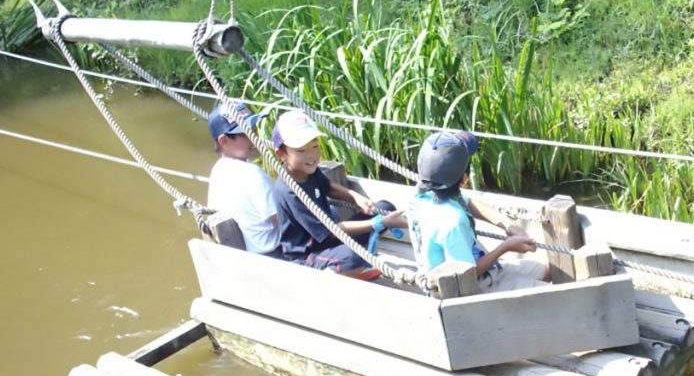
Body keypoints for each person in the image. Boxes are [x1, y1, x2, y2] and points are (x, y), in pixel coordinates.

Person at [406, 129, 549, 292]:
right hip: (468, 288)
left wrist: (508, 225)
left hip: (475, 269)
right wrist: (506, 247)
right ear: (464, 178)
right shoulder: (453, 221)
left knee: (544, 270)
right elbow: (468, 274)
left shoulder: (420, 196)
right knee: (554, 293)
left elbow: (470, 203)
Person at [271, 109, 404, 279]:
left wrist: (354, 196)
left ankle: (354, 263)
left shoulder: (308, 170)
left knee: (385, 207)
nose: (311, 155)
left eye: (315, 146)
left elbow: (328, 187)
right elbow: (330, 231)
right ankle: (344, 270)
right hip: (309, 253)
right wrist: (377, 223)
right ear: (282, 154)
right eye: (301, 151)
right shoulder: (289, 190)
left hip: (332, 239)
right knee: (354, 254)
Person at [206, 102, 282, 256]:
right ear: (224, 141)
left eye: (253, 129)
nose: (254, 136)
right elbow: (282, 219)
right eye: (246, 133)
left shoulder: (218, 171)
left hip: (247, 255)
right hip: (275, 254)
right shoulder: (254, 174)